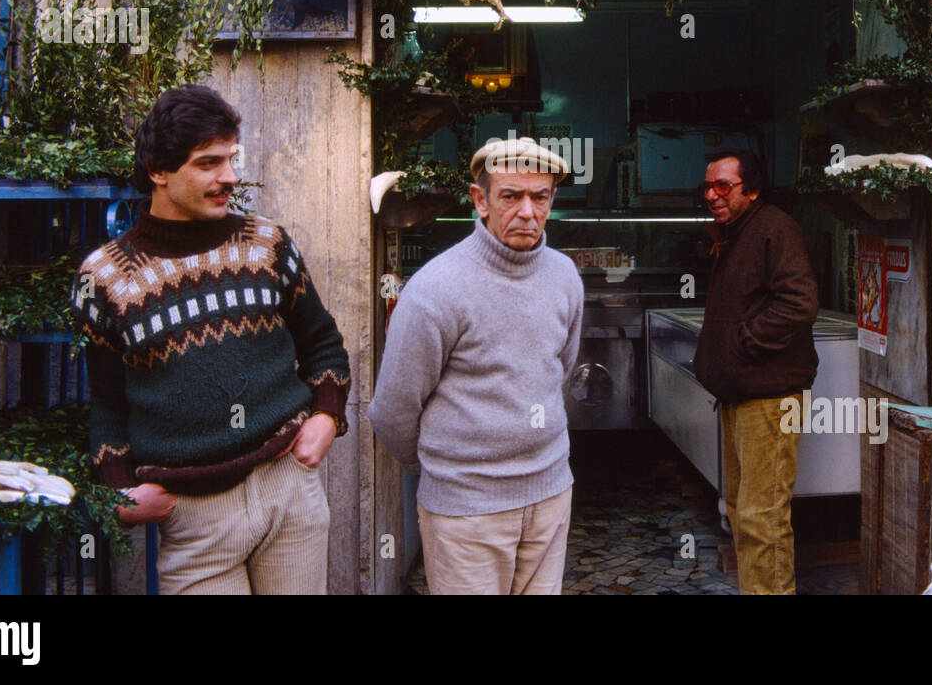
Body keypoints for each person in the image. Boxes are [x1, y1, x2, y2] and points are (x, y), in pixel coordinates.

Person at [70, 85, 350, 594]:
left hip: (287, 489)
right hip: (193, 519)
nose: (229, 177)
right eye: (208, 163)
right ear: (158, 170)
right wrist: (121, 492)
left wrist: (327, 415)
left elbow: (322, 342)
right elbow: (107, 403)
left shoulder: (267, 245)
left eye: (231, 159)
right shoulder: (107, 277)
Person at [368, 137, 584, 595]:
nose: (527, 211)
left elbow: (558, 369)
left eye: (539, 197)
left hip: (549, 497)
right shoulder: (435, 289)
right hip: (465, 512)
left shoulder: (565, 275)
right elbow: (392, 410)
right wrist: (451, 474)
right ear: (480, 200)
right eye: (510, 195)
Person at [692, 148, 818, 595]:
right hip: (741, 394)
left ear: (753, 188)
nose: (711, 194)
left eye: (723, 185)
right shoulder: (735, 232)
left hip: (768, 397)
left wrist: (744, 344)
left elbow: (799, 304)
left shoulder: (774, 228)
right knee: (744, 514)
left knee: (763, 517)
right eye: (707, 186)